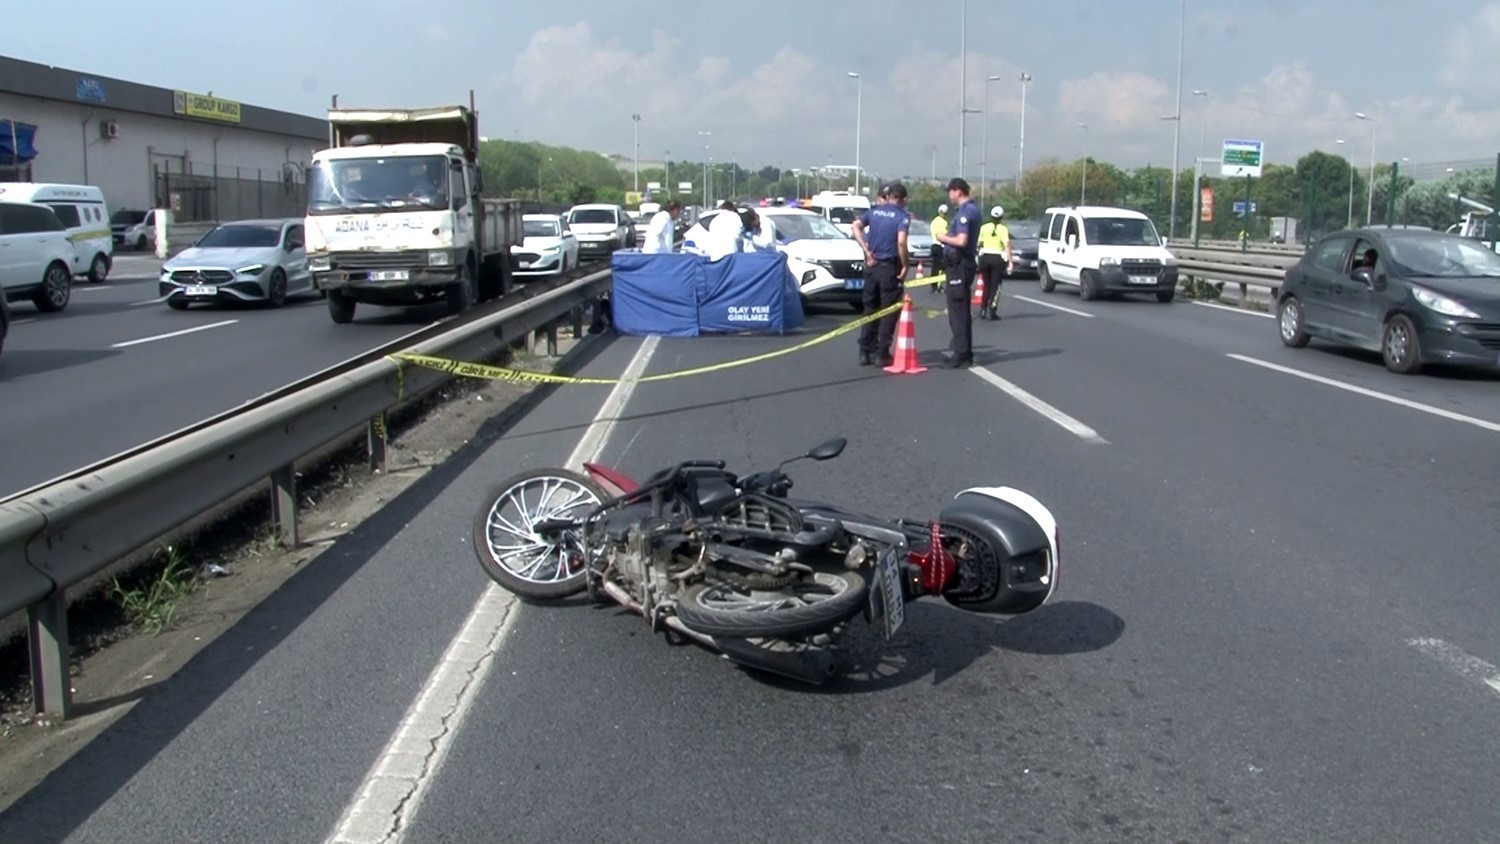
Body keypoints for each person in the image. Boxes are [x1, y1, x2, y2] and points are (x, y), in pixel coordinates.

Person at [850, 182, 911, 366]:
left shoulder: (874, 212)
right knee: (888, 311)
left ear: (888, 196)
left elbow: (855, 226)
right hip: (888, 268)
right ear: (903, 199)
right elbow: (901, 242)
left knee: (870, 309)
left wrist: (866, 250)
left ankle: (864, 351)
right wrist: (905, 265)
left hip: (871, 266)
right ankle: (881, 353)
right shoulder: (902, 216)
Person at [933, 178, 980, 367]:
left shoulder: (964, 213)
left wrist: (942, 237)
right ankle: (964, 351)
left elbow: (961, 240)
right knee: (961, 309)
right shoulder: (973, 210)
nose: (949, 196)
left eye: (950, 192)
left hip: (959, 265)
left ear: (958, 191)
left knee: (957, 311)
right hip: (963, 264)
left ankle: (961, 354)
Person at [977, 205, 1014, 320]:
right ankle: (992, 310)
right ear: (1001, 217)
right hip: (997, 258)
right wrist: (1010, 261)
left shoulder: (984, 227)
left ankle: (983, 309)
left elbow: (979, 243)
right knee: (996, 286)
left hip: (985, 257)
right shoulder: (1003, 229)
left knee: (986, 285)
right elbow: (1007, 245)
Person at [929, 204, 950, 294]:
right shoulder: (944, 222)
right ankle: (938, 286)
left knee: (934, 267)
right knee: (941, 268)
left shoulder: (934, 221)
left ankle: (933, 286)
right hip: (941, 246)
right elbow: (945, 235)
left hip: (934, 245)